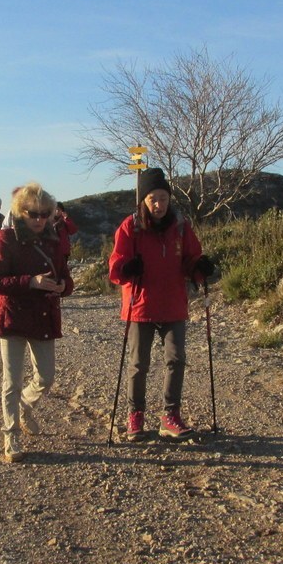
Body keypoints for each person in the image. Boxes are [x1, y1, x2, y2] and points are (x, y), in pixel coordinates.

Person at [108, 168, 214, 441]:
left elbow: (192, 259)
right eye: (153, 199)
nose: (158, 205)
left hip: (173, 304)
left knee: (176, 360)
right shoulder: (129, 227)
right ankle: (136, 416)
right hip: (140, 305)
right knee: (138, 364)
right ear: (143, 200)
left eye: (163, 198)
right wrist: (127, 267)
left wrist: (200, 267)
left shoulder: (180, 226)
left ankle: (170, 416)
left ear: (169, 199)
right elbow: (115, 268)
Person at [0, 182, 74, 462]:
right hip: (12, 315)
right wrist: (30, 282)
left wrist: (63, 286)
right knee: (11, 380)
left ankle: (25, 405)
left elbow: (65, 275)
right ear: (20, 211)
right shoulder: (5, 238)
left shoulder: (53, 239)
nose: (39, 219)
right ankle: (10, 434)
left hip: (43, 316)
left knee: (46, 378)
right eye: (33, 213)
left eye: (45, 213)